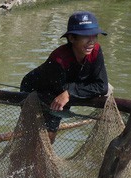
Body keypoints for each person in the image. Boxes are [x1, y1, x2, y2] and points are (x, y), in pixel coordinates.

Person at [20, 11, 110, 143]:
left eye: (94, 35)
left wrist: (70, 92)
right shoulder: (59, 59)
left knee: (108, 90)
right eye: (85, 36)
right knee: (43, 136)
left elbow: (102, 86)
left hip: (66, 87)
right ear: (72, 38)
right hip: (36, 88)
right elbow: (58, 92)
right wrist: (68, 93)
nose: (91, 41)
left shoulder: (95, 50)